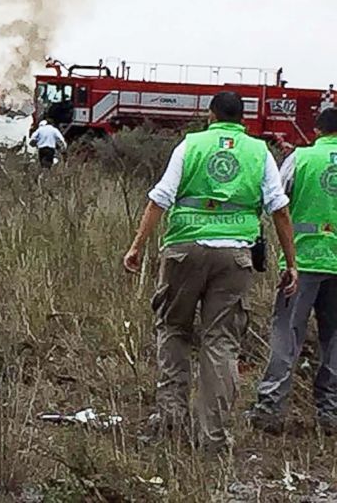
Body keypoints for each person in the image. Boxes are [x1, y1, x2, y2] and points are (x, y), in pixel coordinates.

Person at [122, 91, 298, 450]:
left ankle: (171, 423)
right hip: (235, 256)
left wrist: (137, 245)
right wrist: (291, 262)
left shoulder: (190, 146)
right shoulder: (258, 151)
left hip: (184, 251)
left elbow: (160, 198)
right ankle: (213, 436)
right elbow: (279, 209)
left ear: (210, 115)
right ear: (242, 119)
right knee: (221, 342)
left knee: (174, 329)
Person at [249, 108, 337, 433]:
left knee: (287, 334)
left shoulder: (301, 159)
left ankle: (270, 410)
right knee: (334, 340)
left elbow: (277, 203)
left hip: (302, 262)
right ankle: (330, 413)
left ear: (317, 130)